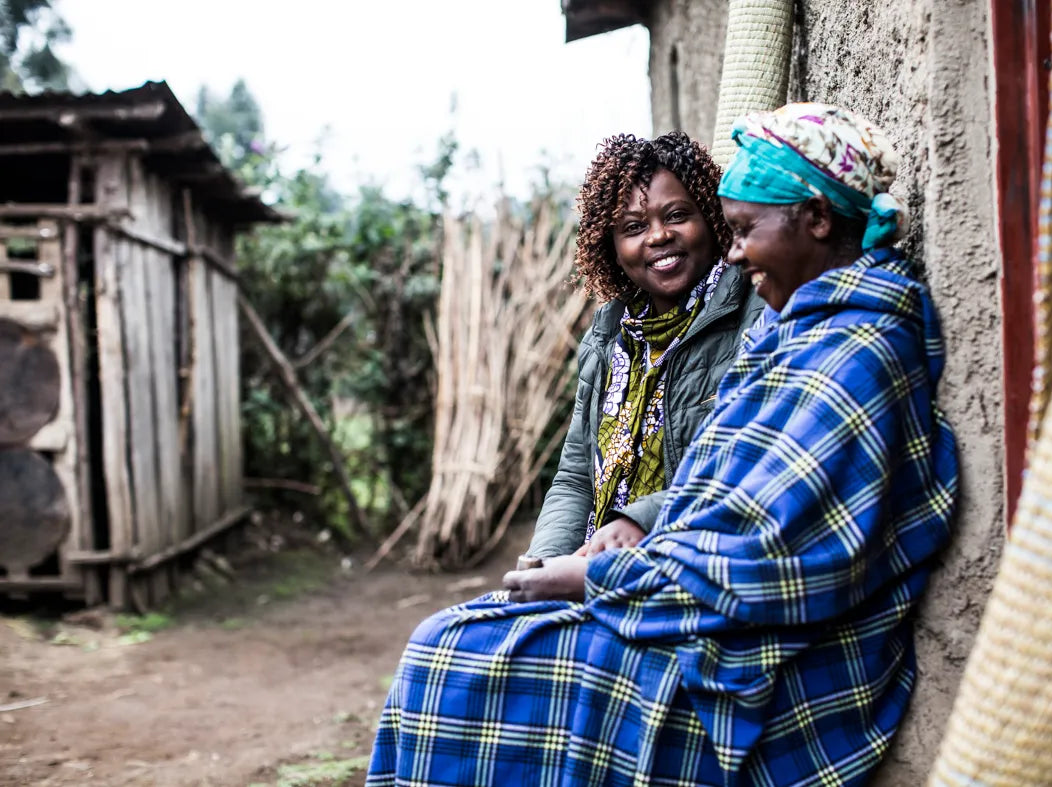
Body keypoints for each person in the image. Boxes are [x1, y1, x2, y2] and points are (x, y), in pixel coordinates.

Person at [366, 103, 959, 787]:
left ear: (816, 220)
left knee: (450, 656)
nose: (665, 239)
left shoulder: (814, 338)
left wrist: (607, 565)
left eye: (716, 225)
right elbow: (583, 474)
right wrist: (555, 561)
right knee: (464, 638)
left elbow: (766, 551)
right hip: (663, 573)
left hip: (739, 627)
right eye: (632, 227)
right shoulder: (724, 330)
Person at [526, 131, 762, 561]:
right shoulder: (610, 340)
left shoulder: (751, 311)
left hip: (690, 557)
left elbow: (749, 457)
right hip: (601, 562)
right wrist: (544, 564)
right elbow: (576, 479)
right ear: (611, 248)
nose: (657, 236)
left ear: (711, 217)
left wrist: (641, 521)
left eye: (676, 215)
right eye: (633, 228)